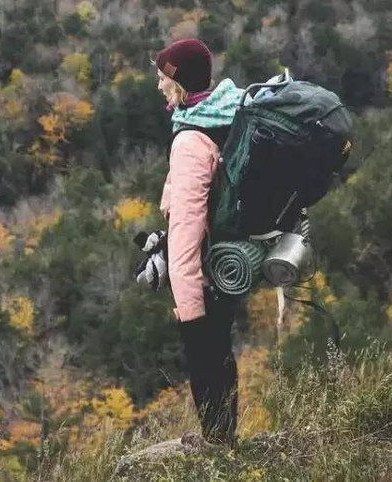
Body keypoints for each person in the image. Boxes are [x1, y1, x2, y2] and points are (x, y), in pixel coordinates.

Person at [153, 38, 245, 447]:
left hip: (203, 276)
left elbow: (188, 234)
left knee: (206, 360)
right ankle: (225, 442)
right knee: (222, 354)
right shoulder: (224, 111)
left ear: (181, 84)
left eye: (163, 78)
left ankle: (217, 448)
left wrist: (189, 311)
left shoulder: (190, 141)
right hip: (230, 262)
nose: (159, 86)